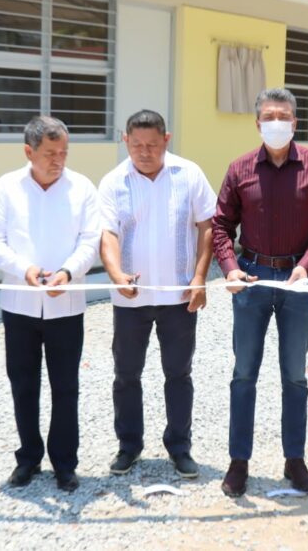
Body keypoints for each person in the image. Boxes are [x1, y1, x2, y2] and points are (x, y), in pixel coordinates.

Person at [212, 87, 308, 497]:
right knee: (244, 374)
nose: (277, 124)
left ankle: (294, 459)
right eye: (269, 117)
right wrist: (230, 268)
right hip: (250, 280)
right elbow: (220, 226)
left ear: (295, 123)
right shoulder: (239, 169)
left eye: (284, 117)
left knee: (295, 376)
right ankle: (239, 462)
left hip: (297, 283)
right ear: (257, 123)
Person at [0, 116, 100, 493]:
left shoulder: (81, 188)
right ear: (28, 151)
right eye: (50, 153)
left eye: (63, 152)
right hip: (19, 305)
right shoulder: (6, 187)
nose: (58, 160)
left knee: (66, 387)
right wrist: (25, 269)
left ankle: (64, 463)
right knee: (23, 385)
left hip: (67, 306)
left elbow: (90, 240)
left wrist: (67, 272)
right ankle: (28, 458)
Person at [98, 110, 216, 479]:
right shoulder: (113, 182)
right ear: (125, 141)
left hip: (179, 298)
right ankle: (128, 446)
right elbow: (108, 234)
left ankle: (179, 447)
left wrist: (199, 277)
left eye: (152, 144)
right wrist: (116, 274)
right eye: (136, 145)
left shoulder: (189, 174)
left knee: (178, 374)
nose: (144, 152)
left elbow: (207, 226)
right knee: (126, 374)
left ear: (167, 139)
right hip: (130, 299)